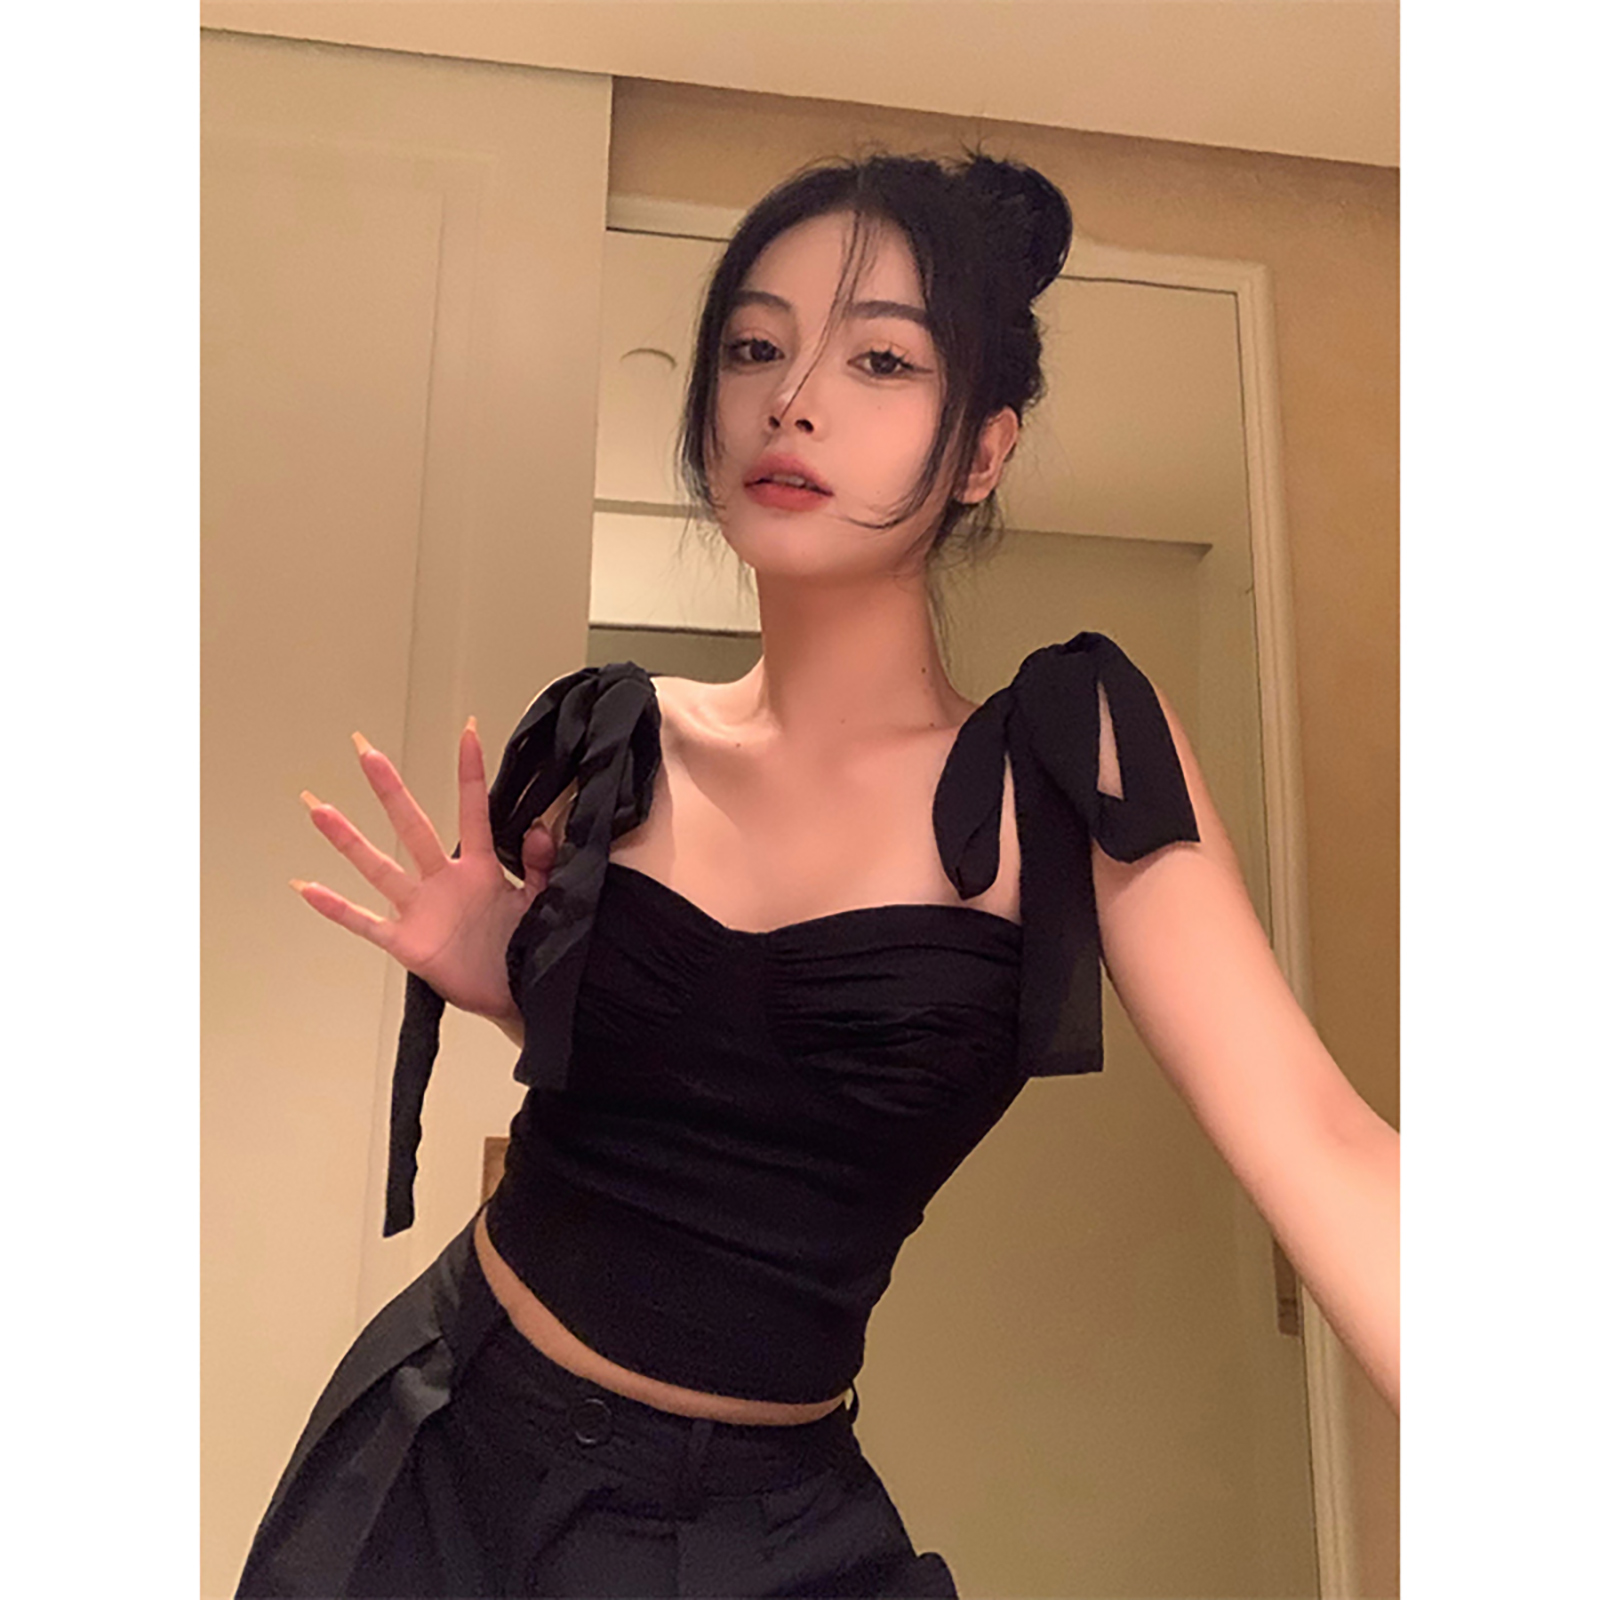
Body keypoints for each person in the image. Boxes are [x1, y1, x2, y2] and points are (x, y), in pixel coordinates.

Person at [236, 149, 1399, 1599]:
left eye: (882, 359)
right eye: (754, 347)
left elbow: (1326, 1145)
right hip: (437, 1431)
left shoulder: (1064, 758)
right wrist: (519, 987)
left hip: (762, 1530)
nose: (794, 398)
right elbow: (696, 1095)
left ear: (982, 453)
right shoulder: (612, 740)